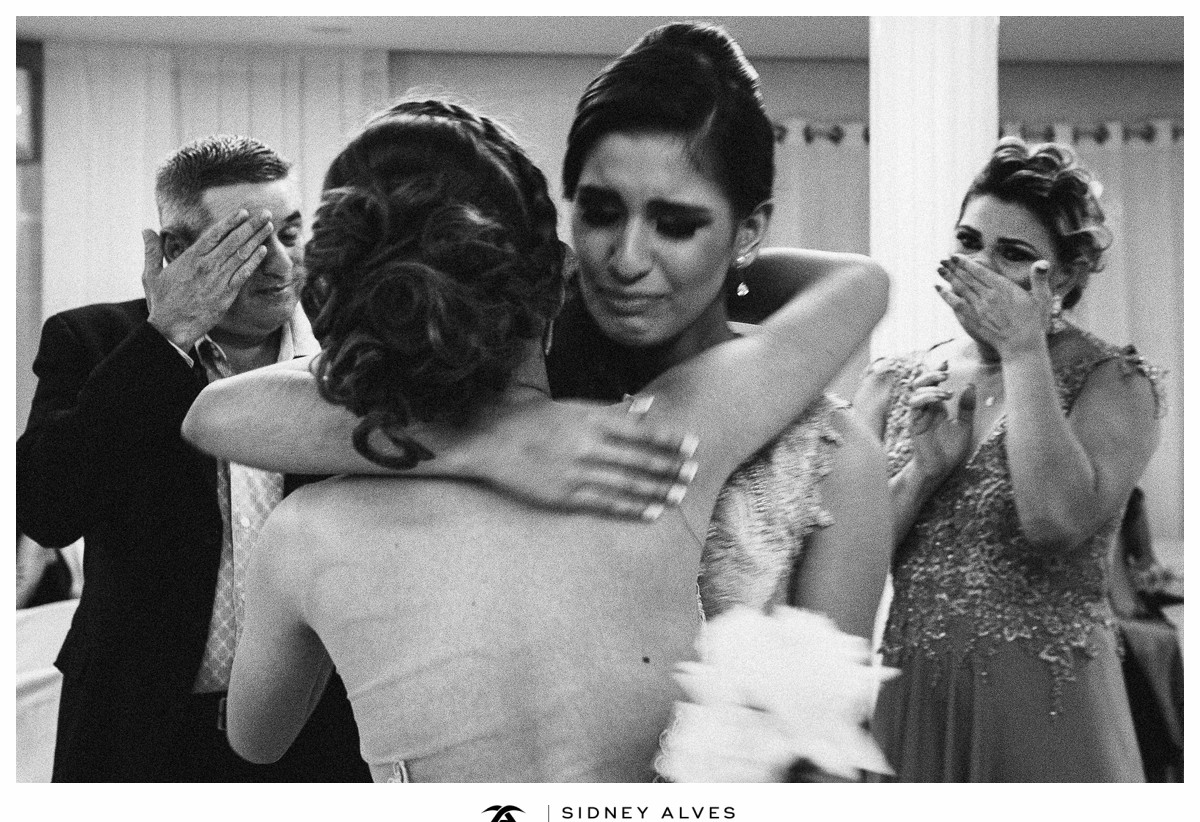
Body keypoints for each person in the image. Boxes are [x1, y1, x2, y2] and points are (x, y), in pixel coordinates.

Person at [211, 98, 886, 782]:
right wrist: (689, 265)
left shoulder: (302, 535)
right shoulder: (657, 447)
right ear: (553, 277)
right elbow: (859, 286)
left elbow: (255, 739)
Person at [183, 22, 892, 639]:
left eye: (676, 224)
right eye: (601, 212)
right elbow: (220, 414)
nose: (626, 260)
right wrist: (498, 438)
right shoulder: (500, 359)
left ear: (750, 230)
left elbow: (821, 732)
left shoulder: (827, 456)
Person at [15, 135, 368, 781]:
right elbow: (46, 509)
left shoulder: (355, 348)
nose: (280, 265)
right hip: (138, 727)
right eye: (248, 243)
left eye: (290, 234)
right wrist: (167, 338)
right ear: (177, 252)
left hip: (320, 728)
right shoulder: (94, 342)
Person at [854, 137, 1166, 782]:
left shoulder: (1114, 383)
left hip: (1048, 712)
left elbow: (1054, 521)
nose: (980, 267)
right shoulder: (894, 381)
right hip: (914, 699)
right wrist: (921, 475)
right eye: (969, 242)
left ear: (1066, 276)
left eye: (1014, 253)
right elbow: (846, 563)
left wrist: (1024, 351)